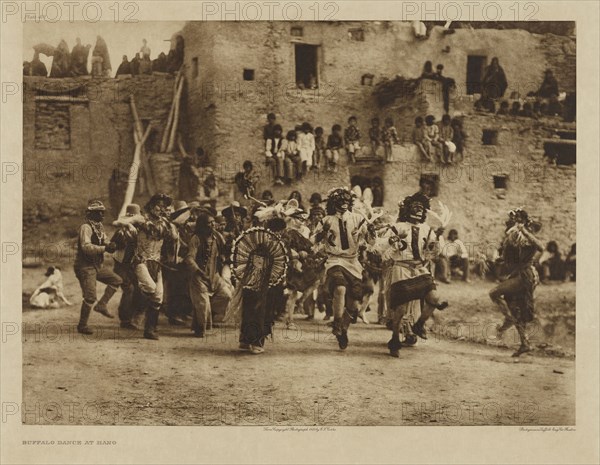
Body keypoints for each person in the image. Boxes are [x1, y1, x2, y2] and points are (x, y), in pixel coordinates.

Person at [375, 193, 448, 356]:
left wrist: (436, 240)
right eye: (415, 207)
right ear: (408, 210)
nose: (418, 210)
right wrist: (393, 241)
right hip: (401, 269)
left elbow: (434, 253)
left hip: (421, 270)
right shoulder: (398, 227)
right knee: (400, 308)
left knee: (434, 298)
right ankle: (395, 339)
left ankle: (419, 324)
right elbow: (380, 247)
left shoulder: (427, 229)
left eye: (421, 208)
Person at [312, 188, 376, 350]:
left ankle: (343, 330)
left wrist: (370, 230)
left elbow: (371, 243)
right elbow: (313, 242)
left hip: (353, 263)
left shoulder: (357, 219)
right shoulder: (326, 220)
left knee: (354, 305)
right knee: (339, 288)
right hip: (334, 261)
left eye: (347, 201)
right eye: (340, 201)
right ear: (334, 203)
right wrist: (323, 233)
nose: (344, 204)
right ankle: (337, 323)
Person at [117, 194, 178, 340]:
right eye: (158, 205)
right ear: (151, 206)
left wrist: (174, 231)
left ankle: (150, 329)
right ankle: (138, 313)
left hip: (156, 263)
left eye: (163, 206)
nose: (160, 209)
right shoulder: (142, 219)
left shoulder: (166, 224)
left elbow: (174, 237)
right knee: (150, 289)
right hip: (141, 261)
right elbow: (119, 222)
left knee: (158, 297)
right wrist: (129, 223)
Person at [489, 208, 544, 357]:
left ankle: (507, 319)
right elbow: (510, 260)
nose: (511, 223)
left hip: (525, 276)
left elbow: (541, 247)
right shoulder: (513, 237)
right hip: (519, 275)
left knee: (494, 293)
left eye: (516, 220)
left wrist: (525, 232)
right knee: (515, 308)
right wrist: (499, 259)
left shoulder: (525, 236)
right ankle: (524, 343)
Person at [74, 200, 122, 335]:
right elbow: (86, 247)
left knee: (116, 280)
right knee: (90, 297)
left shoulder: (98, 226)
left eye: (103, 212)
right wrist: (105, 248)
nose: (102, 214)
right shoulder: (86, 227)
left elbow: (104, 240)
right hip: (85, 266)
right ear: (91, 214)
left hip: (96, 265)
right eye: (99, 212)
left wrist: (111, 245)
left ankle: (102, 305)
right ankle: (82, 325)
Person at [185, 212, 232, 337]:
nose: (213, 225)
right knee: (202, 304)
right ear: (202, 226)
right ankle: (200, 330)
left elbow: (224, 251)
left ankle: (206, 311)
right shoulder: (196, 239)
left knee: (226, 295)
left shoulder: (217, 237)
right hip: (199, 277)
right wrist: (198, 271)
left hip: (214, 276)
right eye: (209, 223)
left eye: (213, 222)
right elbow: (189, 258)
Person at [110, 204, 144, 329]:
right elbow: (113, 246)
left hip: (135, 264)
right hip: (122, 265)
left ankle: (135, 315)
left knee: (139, 289)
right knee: (129, 289)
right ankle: (125, 319)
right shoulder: (122, 231)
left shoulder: (141, 231)